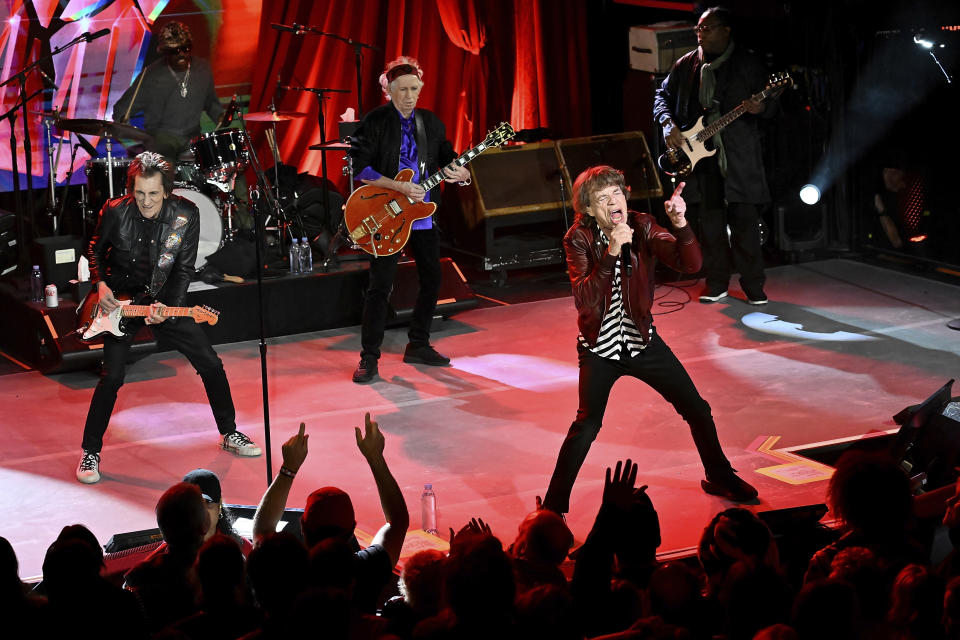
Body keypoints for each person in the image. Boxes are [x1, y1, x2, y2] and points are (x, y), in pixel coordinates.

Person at [540, 165, 758, 515]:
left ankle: (719, 474)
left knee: (697, 409)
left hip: (641, 341)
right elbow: (585, 297)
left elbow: (690, 265)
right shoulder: (577, 238)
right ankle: (552, 509)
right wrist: (612, 251)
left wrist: (681, 225)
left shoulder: (642, 225)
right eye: (602, 198)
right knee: (587, 425)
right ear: (590, 210)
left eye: (616, 193)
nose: (613, 201)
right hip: (600, 347)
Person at [76, 152, 260, 484]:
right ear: (132, 188)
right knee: (112, 377)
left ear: (167, 191)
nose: (146, 201)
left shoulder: (185, 214)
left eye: (153, 194)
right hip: (120, 302)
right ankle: (91, 453)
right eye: (139, 193)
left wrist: (168, 307)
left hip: (163, 301)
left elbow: (184, 269)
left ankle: (230, 433)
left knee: (210, 363)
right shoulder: (115, 211)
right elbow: (94, 248)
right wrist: (99, 283)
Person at [348, 56, 471, 383]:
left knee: (432, 278)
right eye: (402, 89)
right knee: (381, 286)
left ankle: (418, 343)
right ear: (388, 89)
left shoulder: (430, 122)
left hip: (422, 215)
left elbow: (447, 156)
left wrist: (462, 173)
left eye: (414, 88)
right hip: (388, 212)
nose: (409, 95)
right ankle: (369, 358)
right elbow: (359, 167)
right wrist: (398, 185)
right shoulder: (374, 122)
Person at [653, 6, 774, 305]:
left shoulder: (747, 64)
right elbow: (661, 97)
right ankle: (717, 283)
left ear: (725, 30)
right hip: (700, 159)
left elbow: (773, 107)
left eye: (706, 28)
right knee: (710, 224)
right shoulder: (686, 65)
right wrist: (668, 124)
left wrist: (762, 107)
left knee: (745, 221)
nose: (700, 33)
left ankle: (754, 287)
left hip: (738, 157)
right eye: (698, 29)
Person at [251, 415, 409, 613]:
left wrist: (288, 469)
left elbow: (261, 533)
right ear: (352, 531)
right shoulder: (368, 567)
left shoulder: (287, 573)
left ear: (303, 527)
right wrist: (376, 458)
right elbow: (398, 521)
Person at [112, 21, 224, 160]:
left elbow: (211, 103)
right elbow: (121, 110)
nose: (182, 54)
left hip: (192, 141)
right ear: (165, 52)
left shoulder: (202, 68)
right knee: (164, 158)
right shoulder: (151, 75)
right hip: (161, 143)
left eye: (186, 48)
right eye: (175, 51)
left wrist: (221, 116)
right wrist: (132, 142)